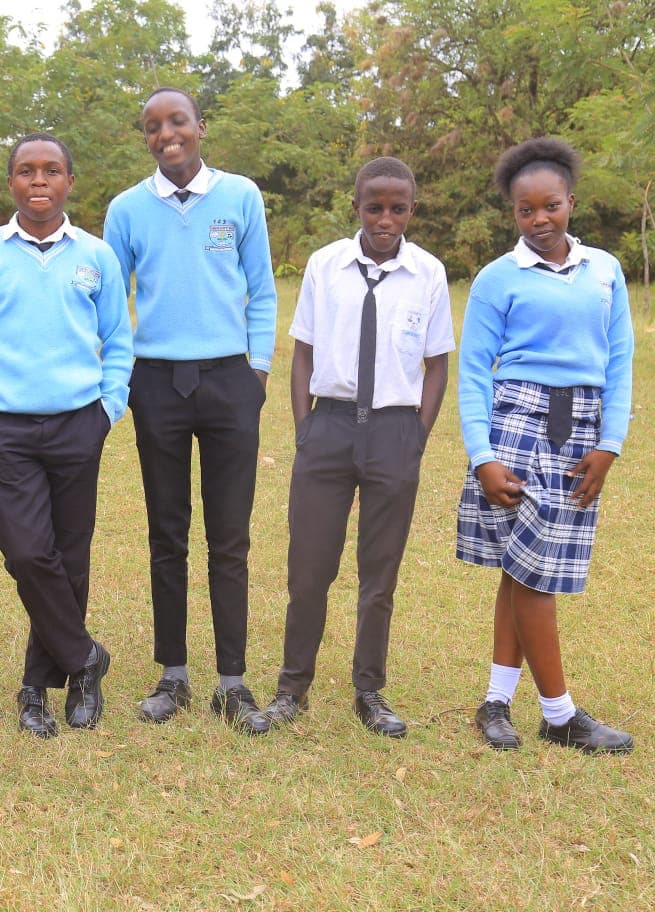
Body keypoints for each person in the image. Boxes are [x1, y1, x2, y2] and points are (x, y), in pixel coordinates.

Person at [0, 133, 132, 739]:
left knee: (69, 557)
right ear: (11, 183)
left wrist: (108, 408)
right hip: (6, 426)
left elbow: (118, 339)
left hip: (81, 422)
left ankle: (40, 686)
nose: (39, 180)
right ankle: (85, 655)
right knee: (26, 552)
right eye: (27, 170)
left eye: (52, 170)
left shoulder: (96, 256)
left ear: (70, 182)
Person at [103, 87, 278, 734]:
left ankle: (232, 681)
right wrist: (122, 378)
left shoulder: (240, 196)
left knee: (230, 537)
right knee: (167, 532)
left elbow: (262, 289)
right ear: (145, 138)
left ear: (200, 126)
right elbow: (109, 302)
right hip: (156, 383)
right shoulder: (127, 209)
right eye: (153, 126)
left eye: (177, 121)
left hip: (230, 379)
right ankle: (172, 674)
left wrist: (257, 371)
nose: (166, 133)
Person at [263, 157, 454, 738]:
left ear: (412, 210)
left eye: (398, 209)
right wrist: (305, 428)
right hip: (330, 427)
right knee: (309, 569)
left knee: (379, 572)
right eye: (375, 208)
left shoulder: (428, 273)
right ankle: (292, 687)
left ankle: (369, 689)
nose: (385, 220)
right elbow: (303, 352)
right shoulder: (325, 266)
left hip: (395, 431)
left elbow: (436, 364)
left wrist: (416, 435)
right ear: (357, 207)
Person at [457, 137, 635, 754]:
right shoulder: (496, 278)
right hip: (517, 426)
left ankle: (495, 703)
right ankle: (559, 716)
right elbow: (474, 373)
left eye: (550, 206)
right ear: (513, 212)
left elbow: (619, 362)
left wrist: (610, 444)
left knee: (525, 568)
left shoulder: (605, 271)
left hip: (582, 430)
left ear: (571, 203)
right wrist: (483, 457)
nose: (539, 220)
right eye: (525, 210)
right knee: (534, 574)